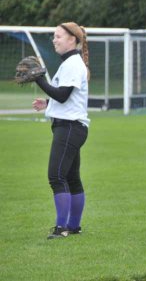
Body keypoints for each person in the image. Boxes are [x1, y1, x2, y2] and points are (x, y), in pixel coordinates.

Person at [32, 22, 90, 239]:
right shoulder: (70, 63)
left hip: (69, 128)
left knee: (56, 176)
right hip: (71, 126)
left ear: (72, 39)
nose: (54, 40)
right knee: (71, 177)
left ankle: (61, 228)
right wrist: (48, 104)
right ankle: (73, 226)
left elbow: (63, 95)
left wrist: (38, 79)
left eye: (58, 36)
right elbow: (67, 98)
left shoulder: (73, 64)